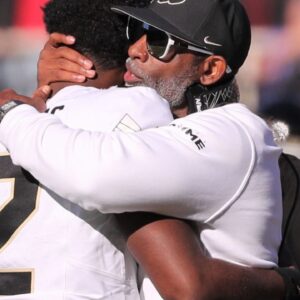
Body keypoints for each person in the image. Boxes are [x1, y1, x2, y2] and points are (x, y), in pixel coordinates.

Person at [0, 0, 299, 299]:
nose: (134, 50)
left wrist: (14, 112)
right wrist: (62, 87)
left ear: (209, 69)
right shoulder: (153, 128)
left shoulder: (231, 131)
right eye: (136, 30)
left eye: (158, 42)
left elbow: (94, 175)